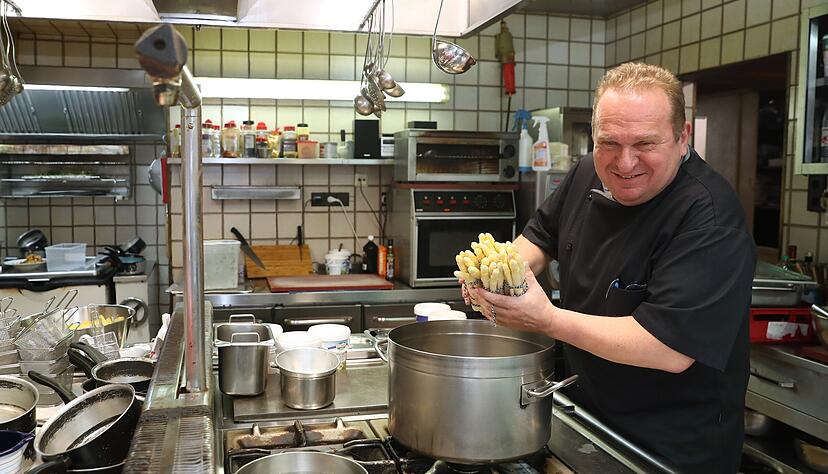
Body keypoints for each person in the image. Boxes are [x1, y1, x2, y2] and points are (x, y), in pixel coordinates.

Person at [466, 62, 756, 473]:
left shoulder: (708, 218)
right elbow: (537, 239)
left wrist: (546, 318)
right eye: (609, 143)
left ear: (682, 135)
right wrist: (498, 277)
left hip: (669, 447)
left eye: (645, 144)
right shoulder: (588, 171)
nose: (624, 163)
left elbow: (668, 349)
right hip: (589, 417)